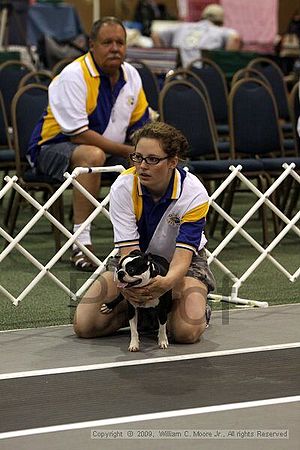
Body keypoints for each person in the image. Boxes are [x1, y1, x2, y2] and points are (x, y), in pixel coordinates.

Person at [73, 121, 215, 345]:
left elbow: (183, 257)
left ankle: (193, 310)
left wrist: (166, 283)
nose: (142, 166)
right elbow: (129, 252)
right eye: (137, 157)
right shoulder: (123, 187)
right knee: (86, 325)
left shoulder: (193, 193)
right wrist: (133, 286)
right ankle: (146, 315)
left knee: (186, 332)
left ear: (172, 162)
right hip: (135, 263)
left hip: (180, 264)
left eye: (152, 159)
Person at [27, 17, 150, 272]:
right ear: (91, 45)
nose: (115, 48)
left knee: (150, 158)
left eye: (120, 42)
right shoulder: (73, 75)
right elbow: (78, 135)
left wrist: (143, 151)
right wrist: (130, 151)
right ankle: (80, 245)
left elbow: (140, 126)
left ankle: (143, 241)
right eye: (107, 42)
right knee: (93, 156)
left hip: (109, 150)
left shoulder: (132, 75)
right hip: (50, 147)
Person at [151, 3, 241, 67]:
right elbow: (235, 39)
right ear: (221, 21)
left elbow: (155, 34)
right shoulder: (220, 30)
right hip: (204, 75)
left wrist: (166, 59)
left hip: (177, 73)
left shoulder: (183, 26)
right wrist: (225, 63)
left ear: (203, 16)